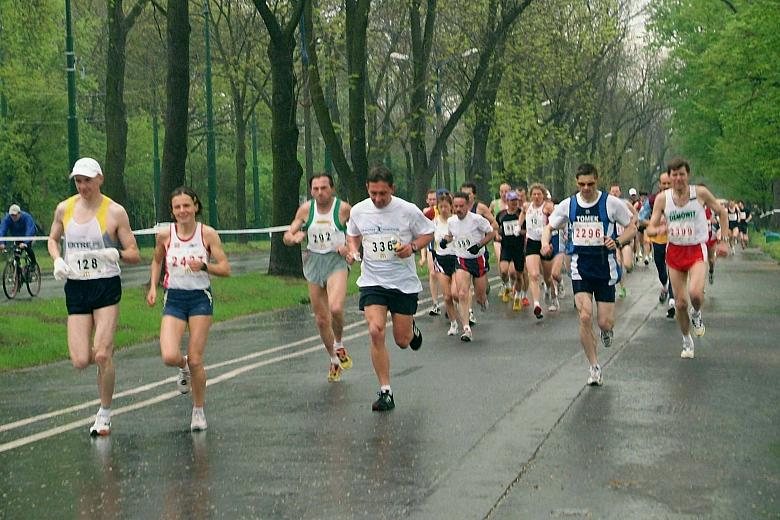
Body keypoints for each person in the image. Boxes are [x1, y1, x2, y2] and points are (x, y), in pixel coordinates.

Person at [47, 157, 141, 436]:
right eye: (78, 180)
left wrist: (117, 254)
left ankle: (105, 412)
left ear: (99, 179)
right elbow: (52, 239)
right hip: (76, 286)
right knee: (79, 360)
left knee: (101, 353)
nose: (83, 185)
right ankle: (105, 360)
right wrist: (56, 260)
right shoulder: (64, 208)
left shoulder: (114, 212)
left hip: (105, 285)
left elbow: (134, 253)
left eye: (87, 180)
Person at [346, 166, 434, 411]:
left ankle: (411, 330)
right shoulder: (359, 210)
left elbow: (428, 233)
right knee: (375, 330)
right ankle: (386, 391)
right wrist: (354, 250)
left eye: (382, 193)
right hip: (373, 281)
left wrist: (413, 247)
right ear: (367, 189)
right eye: (373, 193)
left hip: (402, 283)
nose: (377, 199)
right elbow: (352, 234)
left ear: (392, 189)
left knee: (402, 340)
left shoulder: (407, 210)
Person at [542, 163, 636, 386]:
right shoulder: (568, 205)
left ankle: (606, 331)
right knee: (585, 316)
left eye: (590, 184)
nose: (586, 188)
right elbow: (549, 227)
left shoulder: (611, 204)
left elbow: (632, 226)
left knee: (604, 322)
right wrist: (546, 243)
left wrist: (619, 241)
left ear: (597, 180)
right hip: (580, 268)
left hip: (605, 268)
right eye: (581, 184)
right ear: (576, 183)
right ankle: (594, 366)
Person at [146, 186, 231, 431]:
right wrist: (153, 286)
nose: (182, 211)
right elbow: (156, 260)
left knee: (196, 359)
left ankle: (198, 411)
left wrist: (205, 266)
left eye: (186, 206)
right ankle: (181, 367)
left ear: (195, 206)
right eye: (177, 207)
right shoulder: (165, 235)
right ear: (172, 211)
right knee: (169, 356)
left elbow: (225, 268)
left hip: (199, 299)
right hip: (174, 297)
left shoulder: (208, 234)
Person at [646, 158, 728, 359]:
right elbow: (650, 227)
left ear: (687, 175)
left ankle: (697, 313)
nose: (678, 178)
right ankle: (686, 340)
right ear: (669, 177)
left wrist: (723, 240)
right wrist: (657, 229)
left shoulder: (699, 194)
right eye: (674, 175)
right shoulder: (662, 199)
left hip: (696, 249)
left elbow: (721, 211)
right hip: (674, 251)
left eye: (682, 174)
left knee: (696, 295)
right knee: (680, 303)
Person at [283, 174, 353, 382]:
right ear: (311, 191)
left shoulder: (344, 209)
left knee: (336, 308)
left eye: (324, 188)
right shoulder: (306, 210)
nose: (320, 192)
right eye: (315, 189)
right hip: (314, 262)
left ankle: (339, 344)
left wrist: (348, 248)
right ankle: (333, 360)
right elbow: (288, 234)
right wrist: (292, 238)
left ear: (332, 189)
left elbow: (357, 234)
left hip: (336, 262)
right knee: (322, 319)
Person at [441, 192, 495, 341]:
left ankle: (483, 301)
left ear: (468, 206)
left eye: (461, 206)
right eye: (456, 206)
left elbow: (491, 234)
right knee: (462, 293)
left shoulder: (477, 220)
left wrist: (478, 245)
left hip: (478, 259)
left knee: (479, 296)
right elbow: (451, 235)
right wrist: (445, 241)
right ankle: (466, 329)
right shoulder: (451, 222)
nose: (458, 209)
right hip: (462, 260)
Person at [639, 171, 676, 318]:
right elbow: (641, 218)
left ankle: (672, 300)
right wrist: (654, 222)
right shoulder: (653, 200)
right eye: (664, 183)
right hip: (658, 239)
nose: (666, 186)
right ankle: (665, 286)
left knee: (673, 268)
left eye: (669, 183)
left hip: (675, 240)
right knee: (661, 268)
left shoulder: (680, 199)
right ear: (659, 184)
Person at [430, 193, 461, 336]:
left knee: (456, 293)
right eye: (440, 207)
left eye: (446, 206)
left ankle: (466, 310)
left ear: (451, 207)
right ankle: (454, 323)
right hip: (441, 260)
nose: (443, 209)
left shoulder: (456, 221)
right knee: (447, 296)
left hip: (456, 258)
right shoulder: (434, 222)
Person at [523, 184, 556, 319]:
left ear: (543, 195)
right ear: (531, 195)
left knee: (548, 276)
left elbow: (556, 219)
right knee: (534, 275)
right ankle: (536, 304)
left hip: (545, 242)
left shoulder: (547, 207)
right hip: (531, 242)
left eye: (539, 194)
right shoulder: (527, 206)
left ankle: (552, 295)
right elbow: (522, 214)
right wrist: (519, 226)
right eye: (534, 194)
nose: (536, 197)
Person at [496, 191, 526, 311]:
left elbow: (528, 231)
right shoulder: (501, 214)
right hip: (506, 247)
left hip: (518, 248)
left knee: (518, 276)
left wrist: (519, 232)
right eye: (512, 201)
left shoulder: (521, 214)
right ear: (507, 201)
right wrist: (497, 235)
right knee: (503, 271)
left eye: (516, 201)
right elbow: (496, 227)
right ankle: (507, 286)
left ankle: (518, 296)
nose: (514, 203)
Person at [608, 184, 639, 299]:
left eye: (617, 191)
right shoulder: (608, 205)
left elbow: (635, 214)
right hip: (614, 239)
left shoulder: (625, 204)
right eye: (613, 191)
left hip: (625, 238)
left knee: (627, 264)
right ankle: (622, 287)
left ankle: (630, 267)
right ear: (610, 192)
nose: (615, 193)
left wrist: (631, 224)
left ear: (620, 193)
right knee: (618, 263)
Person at [419, 189, 442, 316]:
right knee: (433, 274)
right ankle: (435, 303)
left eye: (435, 199)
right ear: (427, 200)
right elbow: (423, 233)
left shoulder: (444, 210)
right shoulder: (426, 212)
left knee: (443, 275)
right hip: (430, 246)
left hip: (443, 247)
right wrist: (422, 257)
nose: (433, 202)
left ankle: (449, 300)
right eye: (431, 199)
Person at [0, 204, 39, 270]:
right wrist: (2, 242)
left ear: (19, 213)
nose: (13, 217)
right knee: (16, 252)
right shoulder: (7, 219)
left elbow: (30, 229)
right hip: (17, 237)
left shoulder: (26, 217)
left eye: (15, 215)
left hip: (29, 236)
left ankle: (33, 263)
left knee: (27, 248)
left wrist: (25, 242)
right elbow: (2, 230)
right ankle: (18, 269)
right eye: (12, 215)